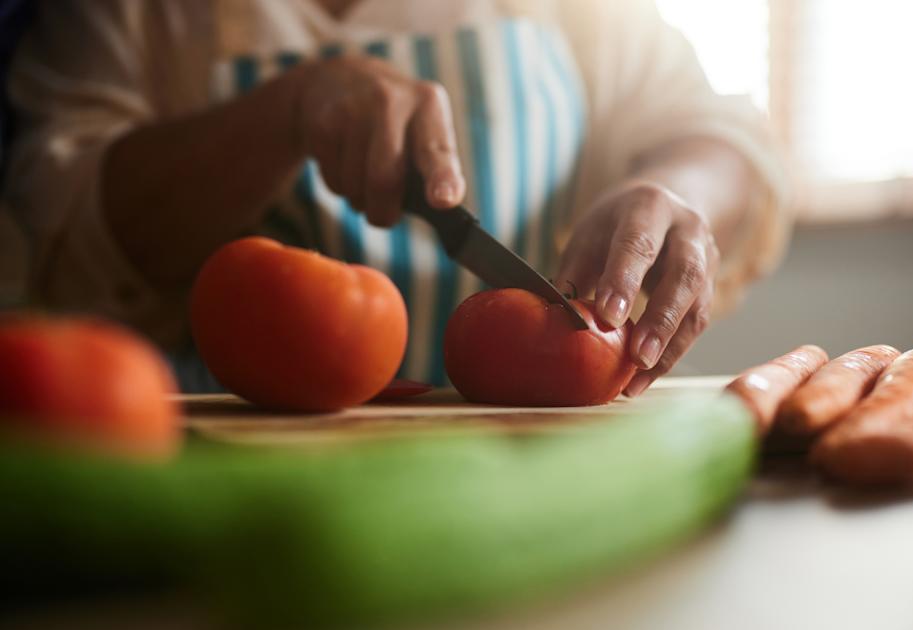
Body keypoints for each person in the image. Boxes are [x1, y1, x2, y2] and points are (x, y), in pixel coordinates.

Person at [0, 0, 788, 394]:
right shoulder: (122, 15)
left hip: (541, 472)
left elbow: (711, 127)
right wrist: (284, 111)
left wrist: (673, 192)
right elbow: (58, 219)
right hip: (236, 479)